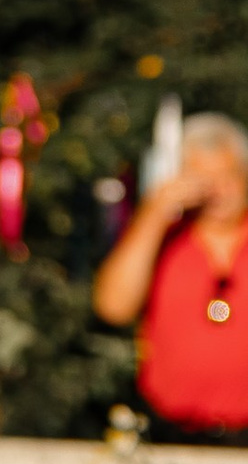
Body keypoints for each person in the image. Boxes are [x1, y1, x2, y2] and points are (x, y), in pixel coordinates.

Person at [94, 113, 248, 438]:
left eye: (227, 176)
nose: (216, 191)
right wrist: (153, 212)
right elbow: (113, 307)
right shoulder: (161, 239)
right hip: (170, 433)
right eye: (201, 178)